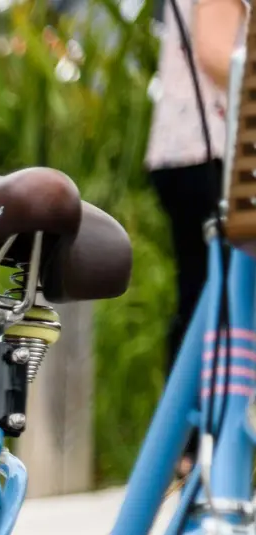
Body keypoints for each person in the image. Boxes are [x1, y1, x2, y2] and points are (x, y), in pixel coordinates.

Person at [147, 0, 246, 371]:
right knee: (215, 303)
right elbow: (217, 53)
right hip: (210, 151)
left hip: (195, 152)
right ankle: (198, 423)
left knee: (206, 300)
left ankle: (194, 420)